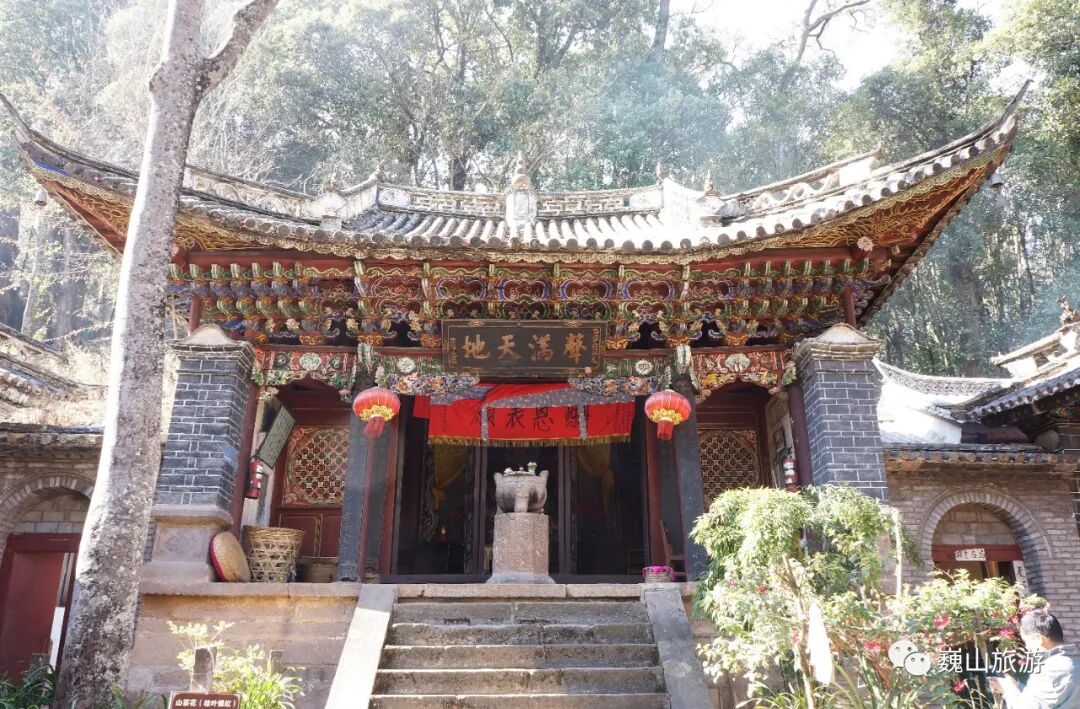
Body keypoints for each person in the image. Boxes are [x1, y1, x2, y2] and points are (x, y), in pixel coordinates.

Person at [991, 610, 1080, 708]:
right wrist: (1017, 686)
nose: (1027, 647)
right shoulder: (1074, 661)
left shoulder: (1050, 670)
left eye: (1026, 641)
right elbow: (1049, 698)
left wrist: (1007, 688)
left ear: (1039, 638)